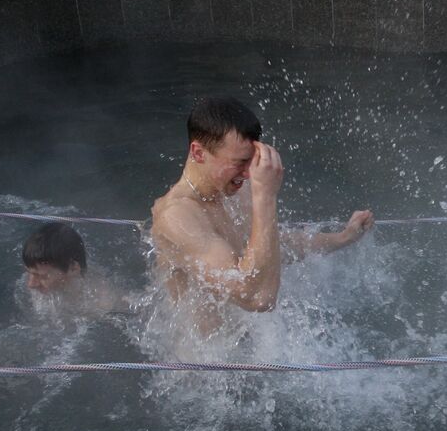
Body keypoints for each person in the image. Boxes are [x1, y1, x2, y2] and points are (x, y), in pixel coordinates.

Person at [150, 96, 373, 330]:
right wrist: (265, 196)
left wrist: (343, 238)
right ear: (198, 153)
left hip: (246, 341)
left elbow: (273, 246)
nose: (248, 174)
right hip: (206, 361)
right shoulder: (176, 216)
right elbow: (258, 298)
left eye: (252, 161)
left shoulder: (233, 190)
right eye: (240, 162)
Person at [21, 221, 123, 314]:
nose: (31, 284)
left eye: (43, 277)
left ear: (73, 268)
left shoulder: (103, 304)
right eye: (30, 273)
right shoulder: (43, 288)